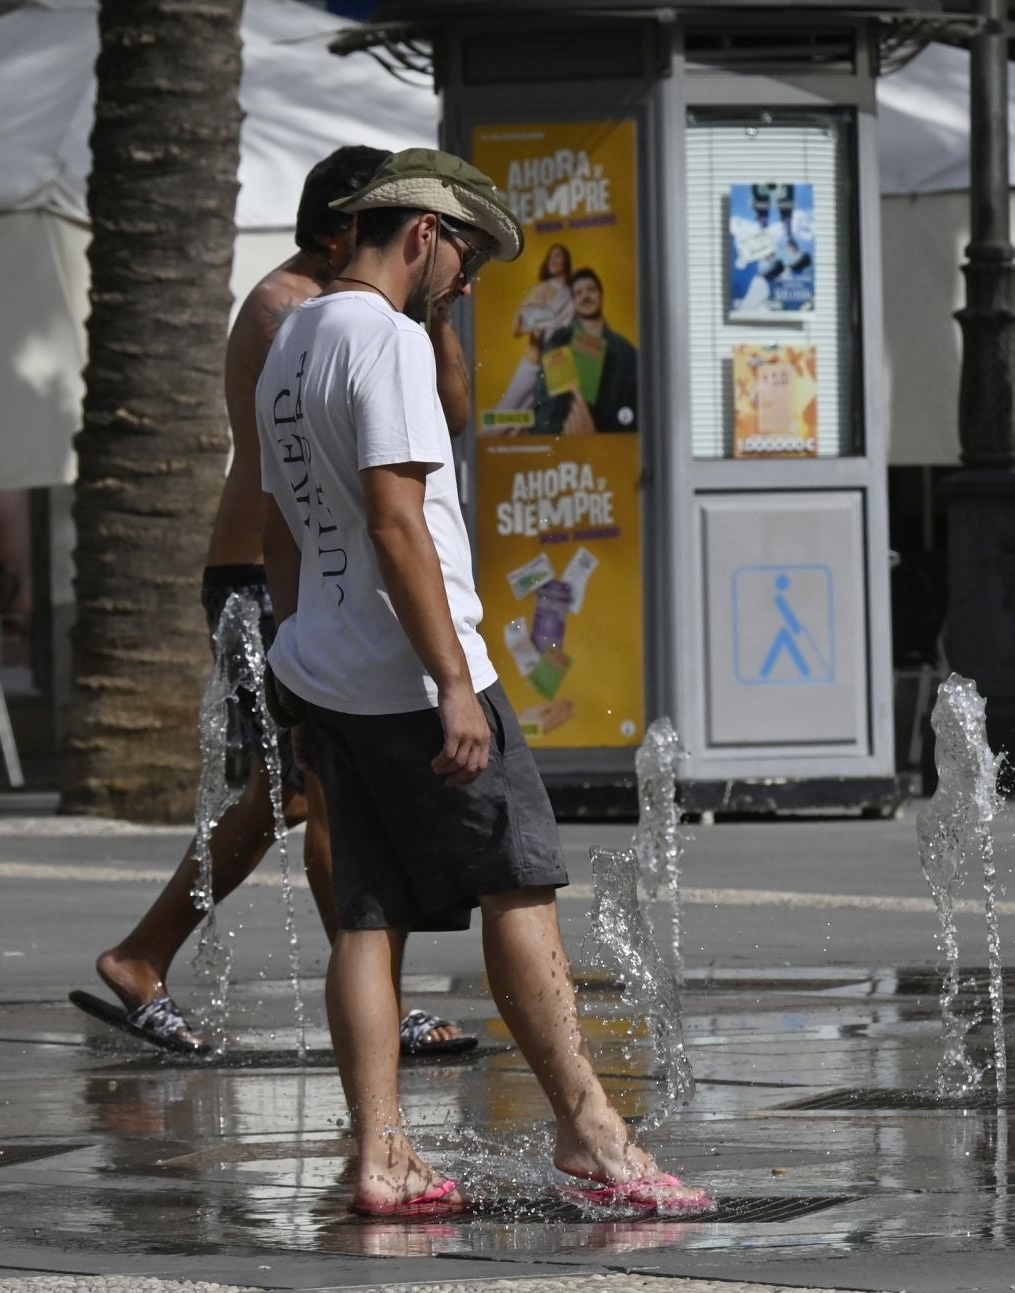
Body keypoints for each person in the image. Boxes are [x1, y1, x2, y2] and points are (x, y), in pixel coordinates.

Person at [257, 148, 711, 1217]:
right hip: (415, 673)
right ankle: (592, 1136)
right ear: (421, 233)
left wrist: (293, 653)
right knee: (522, 884)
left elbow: (281, 522)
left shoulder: (292, 339)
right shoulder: (382, 342)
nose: (468, 282)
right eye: (466, 256)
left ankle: (382, 1157)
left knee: (367, 916)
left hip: (325, 667)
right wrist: (453, 682)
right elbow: (395, 520)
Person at [79, 146, 474, 1059]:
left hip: (308, 574)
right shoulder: (288, 311)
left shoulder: (377, 316)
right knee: (306, 791)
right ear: (343, 230)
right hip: (260, 573)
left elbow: (448, 420)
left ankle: (153, 956)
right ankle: (170, 959)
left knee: (306, 791)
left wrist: (442, 314)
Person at [533, 267, 639, 436]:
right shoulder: (559, 342)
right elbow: (546, 404)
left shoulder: (626, 351)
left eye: (591, 290)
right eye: (578, 293)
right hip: (565, 447)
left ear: (601, 296)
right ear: (574, 302)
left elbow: (639, 411)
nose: (585, 296)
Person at [491, 242, 574, 415]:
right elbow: (518, 326)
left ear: (566, 260)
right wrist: (536, 326)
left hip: (561, 360)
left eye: (558, 255)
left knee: (554, 413)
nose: (553, 260)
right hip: (536, 360)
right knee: (511, 407)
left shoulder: (573, 292)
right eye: (550, 257)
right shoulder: (542, 289)